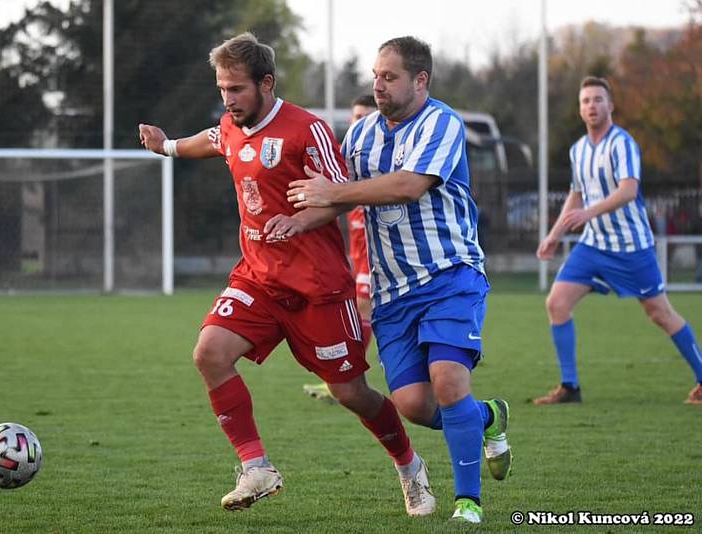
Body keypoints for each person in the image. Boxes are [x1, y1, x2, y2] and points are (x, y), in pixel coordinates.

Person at [138, 33, 436, 516]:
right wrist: (167, 146)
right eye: (222, 89)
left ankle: (409, 466)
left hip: (317, 287)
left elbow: (340, 194)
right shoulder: (230, 127)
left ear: (267, 83)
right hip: (258, 278)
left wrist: (299, 220)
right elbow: (210, 141)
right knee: (210, 353)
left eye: (237, 89)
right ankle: (256, 466)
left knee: (350, 393)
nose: (228, 99)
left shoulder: (306, 130)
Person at [281, 36, 512, 524]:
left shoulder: (442, 123)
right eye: (375, 76)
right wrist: (298, 221)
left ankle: (467, 503)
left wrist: (335, 190)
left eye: (390, 77)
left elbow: (409, 185)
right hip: (392, 292)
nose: (378, 85)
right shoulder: (361, 135)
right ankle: (488, 416)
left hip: (450, 275)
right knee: (412, 404)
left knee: (449, 383)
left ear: (420, 80)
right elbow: (341, 197)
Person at [533, 76, 702, 406]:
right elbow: (576, 194)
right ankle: (570, 387)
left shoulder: (622, 143)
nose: (592, 106)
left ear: (610, 106)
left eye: (598, 99)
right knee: (557, 303)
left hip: (631, 247)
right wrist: (554, 235)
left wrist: (587, 214)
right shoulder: (578, 150)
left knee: (660, 314)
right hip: (594, 246)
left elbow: (628, 191)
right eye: (586, 101)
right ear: (580, 109)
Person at [303, 94, 378, 404]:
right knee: (362, 310)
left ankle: (344, 376)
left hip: (378, 257)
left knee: (364, 308)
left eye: (365, 117)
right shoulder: (345, 155)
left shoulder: (378, 159)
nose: (357, 122)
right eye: (355, 116)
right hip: (358, 253)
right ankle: (343, 376)